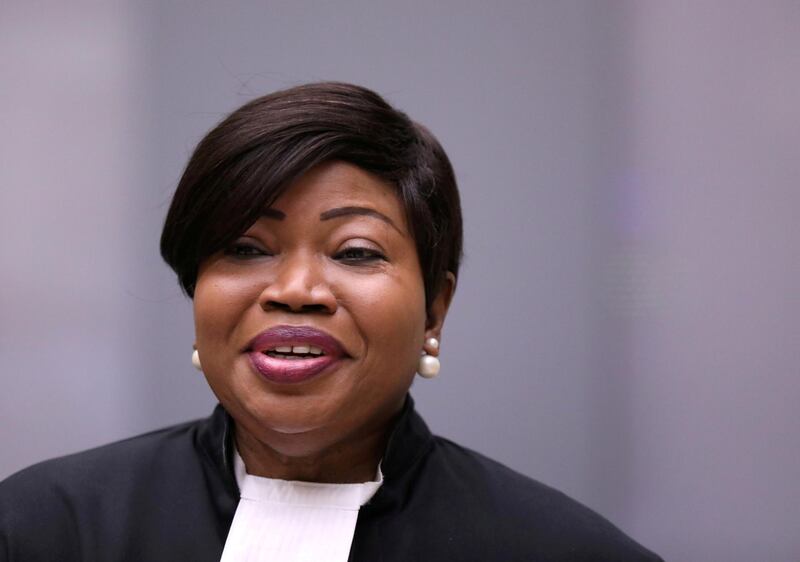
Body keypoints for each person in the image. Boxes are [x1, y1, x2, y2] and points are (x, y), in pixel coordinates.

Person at [0, 82, 662, 561]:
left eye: (356, 253)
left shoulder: (562, 551)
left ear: (435, 308)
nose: (296, 290)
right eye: (247, 248)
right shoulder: (43, 529)